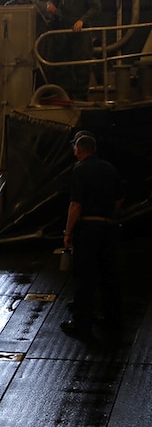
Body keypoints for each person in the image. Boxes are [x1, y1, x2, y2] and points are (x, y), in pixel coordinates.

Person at [60, 132, 122, 341]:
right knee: (108, 275)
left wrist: (68, 232)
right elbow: (118, 200)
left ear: (78, 150)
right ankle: (112, 318)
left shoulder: (79, 170)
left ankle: (81, 324)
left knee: (84, 277)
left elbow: (75, 204)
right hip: (108, 227)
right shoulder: (110, 168)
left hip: (88, 228)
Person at [46, 0, 101, 100]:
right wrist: (51, 5)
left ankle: (81, 96)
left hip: (81, 33)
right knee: (64, 64)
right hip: (64, 31)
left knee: (81, 64)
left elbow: (96, 7)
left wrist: (82, 20)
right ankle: (66, 94)